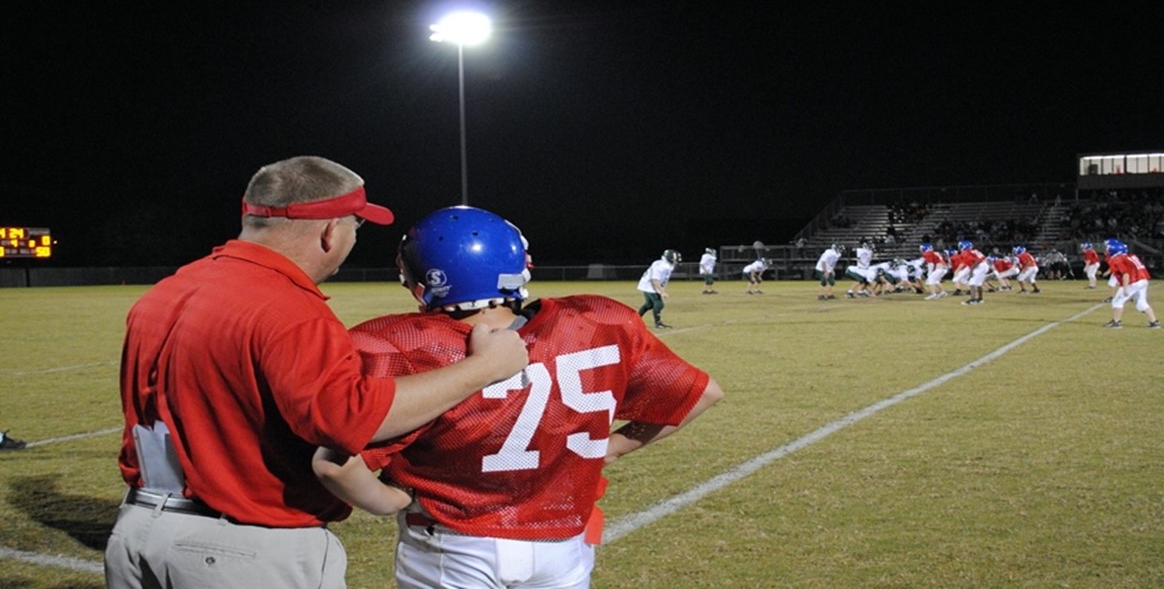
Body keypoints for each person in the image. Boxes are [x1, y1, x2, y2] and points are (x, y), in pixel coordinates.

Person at [104, 156, 529, 589]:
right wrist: (483, 368)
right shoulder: (287, 308)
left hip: (139, 530)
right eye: (354, 226)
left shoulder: (168, 290)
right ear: (330, 231)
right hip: (239, 548)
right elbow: (347, 420)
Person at [314, 206, 723, 589]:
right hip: (563, 547)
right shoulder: (597, 321)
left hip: (454, 544)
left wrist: (386, 501)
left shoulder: (397, 344)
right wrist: (611, 447)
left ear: (419, 279)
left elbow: (335, 466)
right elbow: (701, 393)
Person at [1102, 238, 1161, 329]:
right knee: (1141, 303)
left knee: (1117, 301)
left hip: (1133, 282)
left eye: (1107, 248)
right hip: (1143, 280)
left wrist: (1125, 288)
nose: (1106, 250)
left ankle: (1116, 322)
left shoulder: (1118, 259)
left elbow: (1126, 274)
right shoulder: (1130, 256)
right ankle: (1154, 322)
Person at [637, 249, 680, 328]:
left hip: (647, 284)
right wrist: (662, 292)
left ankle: (635, 319)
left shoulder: (663, 264)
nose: (676, 262)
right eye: (675, 260)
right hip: (649, 285)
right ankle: (658, 323)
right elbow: (654, 280)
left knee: (649, 304)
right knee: (659, 304)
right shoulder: (661, 266)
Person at [956, 240, 989, 305]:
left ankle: (973, 300)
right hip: (984, 265)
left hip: (980, 266)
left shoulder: (966, 252)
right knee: (979, 283)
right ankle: (980, 299)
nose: (959, 248)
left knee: (972, 282)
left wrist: (971, 269)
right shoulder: (974, 251)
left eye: (960, 246)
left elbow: (977, 260)